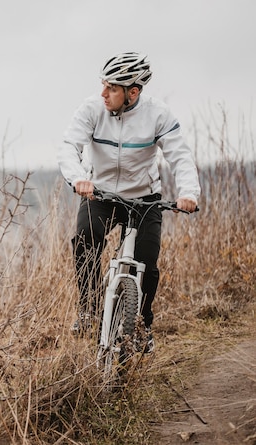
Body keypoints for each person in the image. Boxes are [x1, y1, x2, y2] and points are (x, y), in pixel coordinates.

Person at [57, 52, 200, 352]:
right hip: (101, 194)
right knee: (85, 240)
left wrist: (189, 193)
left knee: (147, 262)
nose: (103, 93)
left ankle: (142, 325)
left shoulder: (158, 114)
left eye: (111, 88)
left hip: (144, 198)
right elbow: (69, 146)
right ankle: (89, 310)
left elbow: (180, 156)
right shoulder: (92, 109)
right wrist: (79, 178)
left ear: (132, 92)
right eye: (103, 85)